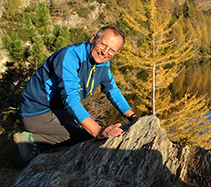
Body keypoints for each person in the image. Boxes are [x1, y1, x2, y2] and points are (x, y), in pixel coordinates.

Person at [13, 25, 138, 163]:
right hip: (36, 111)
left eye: (112, 50)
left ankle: (42, 137)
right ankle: (31, 141)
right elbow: (70, 99)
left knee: (85, 131)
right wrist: (98, 131)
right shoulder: (70, 56)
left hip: (57, 108)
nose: (105, 52)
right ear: (93, 39)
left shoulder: (102, 64)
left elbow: (112, 90)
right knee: (87, 135)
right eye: (103, 44)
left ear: (117, 52)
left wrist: (132, 116)